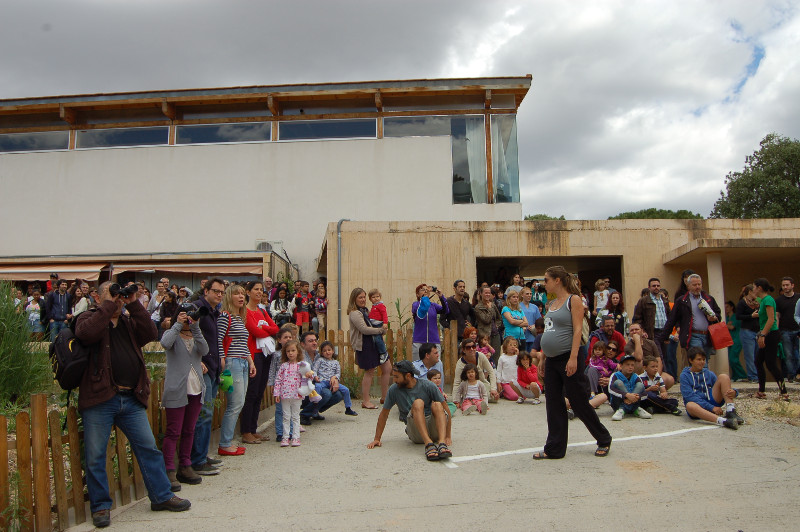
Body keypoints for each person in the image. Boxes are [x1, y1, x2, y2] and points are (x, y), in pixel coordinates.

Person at [75, 282, 190, 528]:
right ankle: (101, 507)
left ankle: (160, 496)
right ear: (97, 296)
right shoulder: (88, 317)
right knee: (96, 456)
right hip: (99, 399)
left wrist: (134, 302)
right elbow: (86, 334)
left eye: (120, 297)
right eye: (112, 295)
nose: (117, 300)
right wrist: (107, 305)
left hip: (130, 398)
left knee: (148, 448)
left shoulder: (128, 322)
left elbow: (150, 333)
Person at [533, 266, 612, 460]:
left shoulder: (573, 300)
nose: (545, 284)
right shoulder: (551, 303)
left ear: (557, 280)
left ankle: (603, 438)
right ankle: (554, 449)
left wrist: (573, 358)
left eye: (546, 280)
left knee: (578, 402)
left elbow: (577, 331)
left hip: (568, 357)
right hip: (551, 360)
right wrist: (543, 356)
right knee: (553, 403)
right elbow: (549, 331)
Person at [160, 304, 207, 490]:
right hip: (176, 390)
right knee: (173, 432)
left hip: (195, 389)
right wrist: (177, 324)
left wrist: (195, 326)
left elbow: (204, 349)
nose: (189, 318)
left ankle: (185, 465)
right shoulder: (173, 334)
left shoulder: (196, 335)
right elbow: (165, 343)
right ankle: (169, 469)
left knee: (189, 430)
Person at [366, 360, 453, 462]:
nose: (394, 380)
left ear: (407, 376)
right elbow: (384, 414)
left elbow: (446, 410)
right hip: (416, 432)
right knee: (418, 403)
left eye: (397, 377)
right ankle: (428, 444)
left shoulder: (428, 385)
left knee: (437, 404)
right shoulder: (394, 390)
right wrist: (377, 439)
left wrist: (448, 436)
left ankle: (442, 444)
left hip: (434, 429)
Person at [190, 278, 225, 476]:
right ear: (206, 291)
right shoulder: (197, 309)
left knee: (207, 415)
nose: (219, 294)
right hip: (201, 368)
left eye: (221, 291)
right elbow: (186, 335)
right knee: (203, 415)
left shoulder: (213, 312)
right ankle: (197, 460)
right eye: (216, 291)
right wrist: (197, 360)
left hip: (212, 367)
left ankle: (202, 455)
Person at [217, 284, 257, 456]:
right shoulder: (225, 316)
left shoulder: (240, 318)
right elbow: (219, 340)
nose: (241, 297)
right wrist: (222, 362)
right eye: (236, 294)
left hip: (242, 362)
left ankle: (227, 441)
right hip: (232, 363)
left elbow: (243, 344)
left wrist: (251, 362)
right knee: (235, 404)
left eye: (242, 294)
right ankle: (225, 443)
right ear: (229, 297)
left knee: (239, 403)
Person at [240, 281, 279, 444]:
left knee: (259, 393)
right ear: (248, 292)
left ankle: (253, 428)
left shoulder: (262, 311)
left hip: (265, 354)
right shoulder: (245, 311)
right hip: (253, 354)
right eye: (255, 289)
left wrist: (263, 329)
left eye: (260, 290)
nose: (259, 292)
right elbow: (255, 331)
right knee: (251, 392)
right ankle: (245, 431)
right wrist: (264, 330)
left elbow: (275, 328)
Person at [656, 274, 721, 357]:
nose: (697, 287)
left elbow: (718, 313)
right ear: (688, 286)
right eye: (694, 285)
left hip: (708, 336)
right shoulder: (682, 301)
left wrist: (714, 318)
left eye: (699, 284)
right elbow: (672, 319)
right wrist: (665, 336)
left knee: (705, 360)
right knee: (698, 360)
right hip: (693, 336)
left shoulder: (709, 299)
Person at [680, 347, 742, 429]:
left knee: (723, 377)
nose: (702, 362)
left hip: (711, 400)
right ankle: (723, 421)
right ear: (691, 360)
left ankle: (731, 411)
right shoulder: (684, 376)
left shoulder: (709, 373)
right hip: (698, 407)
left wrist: (734, 392)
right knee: (689, 405)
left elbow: (721, 387)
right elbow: (689, 397)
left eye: (703, 359)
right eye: (699, 360)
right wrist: (711, 408)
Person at [348, 287, 390, 409]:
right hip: (365, 345)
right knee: (369, 371)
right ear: (354, 299)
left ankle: (384, 397)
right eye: (360, 297)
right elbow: (364, 329)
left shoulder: (365, 310)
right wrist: (380, 330)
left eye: (364, 297)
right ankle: (366, 401)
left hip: (374, 343)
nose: (363, 299)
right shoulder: (355, 313)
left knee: (387, 368)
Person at [752, 278, 789, 401]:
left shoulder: (768, 299)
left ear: (759, 288)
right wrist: (757, 314)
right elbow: (765, 315)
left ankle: (784, 392)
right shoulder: (763, 301)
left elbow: (771, 319)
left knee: (771, 363)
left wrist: (762, 335)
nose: (753, 290)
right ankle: (761, 391)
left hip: (771, 334)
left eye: (754, 287)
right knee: (758, 361)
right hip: (767, 333)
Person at [274, 340, 313, 447]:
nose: (290, 353)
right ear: (285, 353)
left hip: (297, 394)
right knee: (286, 416)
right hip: (285, 395)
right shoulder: (283, 366)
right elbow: (278, 380)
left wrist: (310, 375)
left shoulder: (302, 365)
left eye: (293, 350)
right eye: (288, 351)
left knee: (295, 416)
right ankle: (285, 437)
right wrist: (277, 393)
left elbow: (308, 375)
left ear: (298, 352)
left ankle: (296, 437)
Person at [299, 331, 343, 423]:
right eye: (310, 341)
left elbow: (331, 369)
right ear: (303, 344)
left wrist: (335, 378)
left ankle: (314, 411)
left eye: (315, 340)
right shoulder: (300, 357)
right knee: (326, 394)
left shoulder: (321, 355)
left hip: (320, 383)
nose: (314, 343)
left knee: (338, 394)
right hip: (305, 386)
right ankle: (304, 414)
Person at [312, 341, 358, 416]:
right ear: (322, 353)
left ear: (333, 351)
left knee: (346, 390)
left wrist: (335, 377)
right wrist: (315, 376)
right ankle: (315, 405)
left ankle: (348, 408)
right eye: (324, 351)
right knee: (317, 387)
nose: (327, 352)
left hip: (332, 382)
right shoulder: (320, 360)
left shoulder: (336, 362)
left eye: (329, 350)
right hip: (322, 381)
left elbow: (338, 373)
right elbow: (315, 369)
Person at [609, 354, 652, 421]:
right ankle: (622, 410)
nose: (630, 367)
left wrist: (637, 397)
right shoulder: (615, 375)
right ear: (621, 365)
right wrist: (626, 395)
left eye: (632, 365)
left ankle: (630, 409)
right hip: (618, 403)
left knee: (640, 385)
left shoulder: (636, 376)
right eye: (627, 365)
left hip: (634, 401)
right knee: (618, 383)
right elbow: (611, 389)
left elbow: (645, 393)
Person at [632, 278, 670, 353]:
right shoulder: (644, 301)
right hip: (653, 333)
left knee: (666, 356)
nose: (656, 287)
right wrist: (642, 331)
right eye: (654, 286)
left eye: (658, 286)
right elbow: (637, 318)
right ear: (649, 287)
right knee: (658, 355)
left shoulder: (664, 300)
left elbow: (669, 316)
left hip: (665, 332)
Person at [411, 284, 448, 359]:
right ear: (417, 294)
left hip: (433, 340)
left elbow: (446, 310)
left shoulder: (433, 306)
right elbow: (423, 308)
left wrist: (441, 297)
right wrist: (425, 298)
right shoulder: (416, 305)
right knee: (418, 367)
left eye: (426, 289)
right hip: (419, 341)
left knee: (435, 367)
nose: (425, 291)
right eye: (422, 290)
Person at [775, 277, 800, 382]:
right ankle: (792, 375)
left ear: (792, 285)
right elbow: (777, 316)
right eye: (783, 285)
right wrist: (776, 330)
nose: (785, 287)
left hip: (798, 329)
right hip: (785, 330)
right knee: (788, 354)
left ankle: (798, 374)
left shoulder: (799, 298)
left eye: (787, 285)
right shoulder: (779, 300)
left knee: (798, 354)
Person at [735, 285, 760, 382]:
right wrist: (751, 316)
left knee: (758, 355)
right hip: (747, 331)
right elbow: (738, 316)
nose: (756, 293)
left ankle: (758, 375)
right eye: (754, 291)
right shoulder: (742, 303)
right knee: (750, 355)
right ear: (749, 291)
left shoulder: (757, 303)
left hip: (757, 331)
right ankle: (753, 376)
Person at [474, 286, 502, 364]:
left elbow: (499, 318)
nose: (487, 294)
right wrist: (489, 309)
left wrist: (497, 326)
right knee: (486, 358)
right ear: (481, 294)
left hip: (495, 334)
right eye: (485, 293)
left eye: (489, 293)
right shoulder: (478, 307)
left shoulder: (492, 305)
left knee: (496, 357)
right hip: (484, 335)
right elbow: (486, 320)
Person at [724, 300, 749, 381]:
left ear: (732, 307)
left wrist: (725, 325)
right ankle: (735, 376)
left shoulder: (735, 316)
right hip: (729, 340)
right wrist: (727, 325)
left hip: (736, 339)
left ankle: (742, 375)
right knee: (730, 359)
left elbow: (731, 327)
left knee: (733, 358)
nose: (726, 309)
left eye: (727, 307)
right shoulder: (726, 318)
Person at [496, 336, 523, 401]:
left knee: (523, 396)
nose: (513, 347)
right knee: (514, 397)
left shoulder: (517, 357)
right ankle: (504, 392)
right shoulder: (502, 358)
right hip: (506, 382)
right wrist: (498, 382)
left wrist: (518, 355)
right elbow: (499, 371)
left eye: (514, 345)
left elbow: (521, 367)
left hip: (516, 382)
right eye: (510, 345)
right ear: (505, 346)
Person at [368, 288, 389, 357]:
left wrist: (385, 323)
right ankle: (379, 350)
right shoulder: (374, 306)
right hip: (374, 324)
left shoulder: (381, 305)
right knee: (376, 339)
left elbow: (384, 314)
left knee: (378, 339)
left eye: (377, 296)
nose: (376, 298)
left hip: (378, 324)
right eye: (373, 297)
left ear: (380, 297)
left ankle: (383, 352)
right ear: (370, 299)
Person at [520, 287, 542, 353]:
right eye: (527, 294)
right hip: (522, 335)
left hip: (532, 335)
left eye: (530, 294)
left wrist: (534, 326)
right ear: (522, 295)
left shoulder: (534, 307)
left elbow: (539, 320)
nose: (529, 295)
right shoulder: (518, 306)